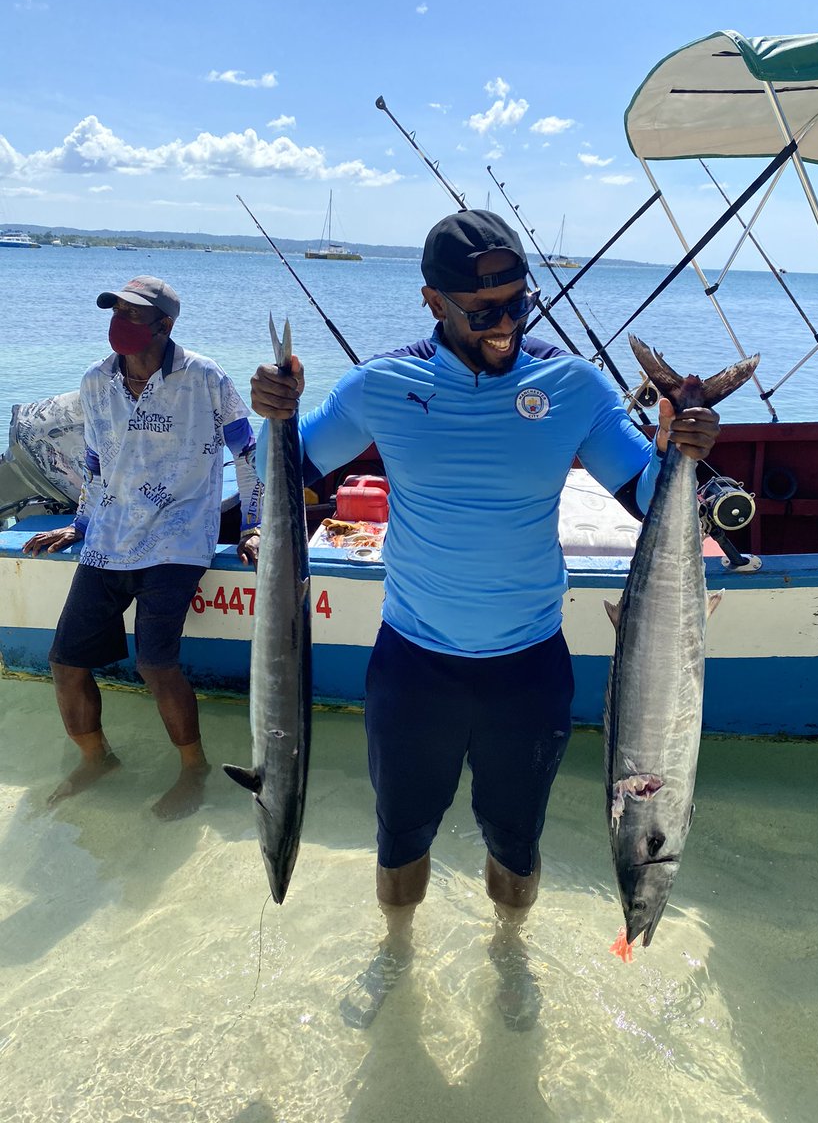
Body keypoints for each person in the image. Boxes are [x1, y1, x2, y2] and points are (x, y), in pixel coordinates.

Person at [250, 210, 720, 1027]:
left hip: (527, 672)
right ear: (433, 301)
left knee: (517, 842)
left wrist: (687, 447)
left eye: (518, 302)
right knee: (399, 837)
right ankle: (394, 951)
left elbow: (645, 493)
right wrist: (273, 414)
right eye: (484, 309)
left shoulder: (574, 387)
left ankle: (510, 955)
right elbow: (281, 469)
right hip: (413, 667)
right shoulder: (381, 387)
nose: (505, 324)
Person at [23, 275, 264, 821]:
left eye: (134, 315)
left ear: (165, 325)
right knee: (65, 661)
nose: (120, 324)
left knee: (156, 663)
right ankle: (96, 759)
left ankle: (193, 768)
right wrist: (80, 524)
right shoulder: (94, 380)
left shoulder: (205, 377)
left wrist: (251, 527)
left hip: (178, 538)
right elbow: (93, 460)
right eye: (116, 312)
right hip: (107, 539)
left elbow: (247, 453)